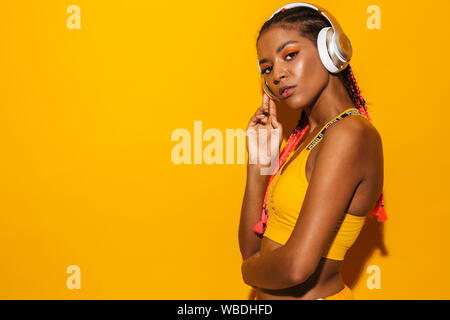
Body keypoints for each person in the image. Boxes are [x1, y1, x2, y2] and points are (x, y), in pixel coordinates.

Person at [238, 3, 386, 300]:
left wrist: (247, 272)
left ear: (331, 51)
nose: (277, 74)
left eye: (290, 55)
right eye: (267, 68)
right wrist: (259, 163)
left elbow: (295, 267)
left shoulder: (350, 134)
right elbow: (253, 249)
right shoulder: (306, 138)